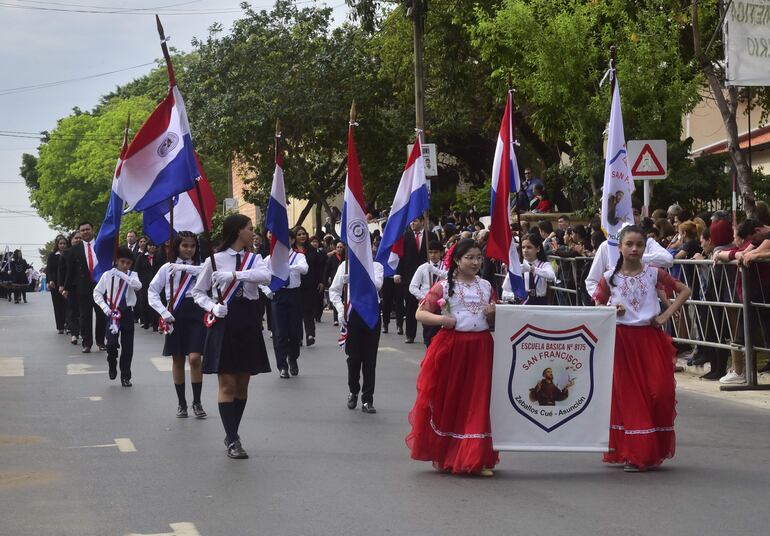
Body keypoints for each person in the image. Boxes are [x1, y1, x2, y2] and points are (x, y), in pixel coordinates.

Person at [592, 225, 690, 472]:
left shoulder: (654, 273)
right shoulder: (609, 277)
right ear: (621, 247)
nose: (634, 249)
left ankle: (650, 446)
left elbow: (684, 290)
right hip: (622, 341)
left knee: (661, 391)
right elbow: (596, 304)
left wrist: (666, 314)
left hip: (650, 339)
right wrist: (610, 310)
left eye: (639, 245)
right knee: (631, 397)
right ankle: (636, 452)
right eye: (629, 244)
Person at [406, 238, 499, 476]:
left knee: (478, 399)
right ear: (457, 260)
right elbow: (421, 313)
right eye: (470, 257)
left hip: (481, 347)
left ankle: (476, 455)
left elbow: (495, 322)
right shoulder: (444, 287)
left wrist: (492, 314)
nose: (476, 262)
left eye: (479, 257)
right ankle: (448, 452)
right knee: (452, 399)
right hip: (453, 347)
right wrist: (442, 320)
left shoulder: (487, 286)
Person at [192, 214, 272, 459]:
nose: (253, 232)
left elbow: (266, 277)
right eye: (249, 228)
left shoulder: (254, 259)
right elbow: (198, 292)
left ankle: (232, 432)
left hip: (248, 320)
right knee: (227, 383)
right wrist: (212, 307)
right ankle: (233, 440)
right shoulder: (214, 260)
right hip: (224, 321)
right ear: (238, 231)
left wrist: (236, 275)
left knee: (242, 386)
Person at [148, 231, 207, 418]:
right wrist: (164, 313)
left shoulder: (203, 266)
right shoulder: (167, 268)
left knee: (196, 358)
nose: (189, 249)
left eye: (193, 246)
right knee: (178, 359)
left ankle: (197, 402)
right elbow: (152, 291)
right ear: (177, 247)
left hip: (197, 312)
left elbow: (212, 283)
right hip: (175, 314)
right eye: (185, 246)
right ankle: (182, 403)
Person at [328, 257, 385, 414]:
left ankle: (367, 399)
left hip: (371, 315)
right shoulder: (345, 265)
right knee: (353, 359)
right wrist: (340, 309)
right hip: (352, 315)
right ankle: (353, 391)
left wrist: (355, 278)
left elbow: (377, 285)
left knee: (370, 359)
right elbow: (334, 290)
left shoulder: (376, 266)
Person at [93, 247, 142, 386]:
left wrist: (123, 275)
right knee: (111, 344)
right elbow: (97, 293)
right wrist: (105, 308)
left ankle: (126, 376)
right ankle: (111, 363)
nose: (125, 265)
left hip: (127, 313)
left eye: (128, 263)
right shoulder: (108, 275)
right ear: (116, 261)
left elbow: (138, 286)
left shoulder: (133, 275)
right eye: (122, 262)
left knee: (128, 347)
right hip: (112, 313)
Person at [263, 230, 308, 378]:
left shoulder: (298, 256)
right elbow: (260, 276)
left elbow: (305, 269)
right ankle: (282, 365)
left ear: (292, 241)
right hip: (279, 294)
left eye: (286, 239)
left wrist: (288, 267)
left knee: (295, 332)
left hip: (294, 294)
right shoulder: (270, 259)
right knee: (280, 332)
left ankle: (293, 358)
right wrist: (266, 289)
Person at [63, 222, 106, 353]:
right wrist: (66, 287)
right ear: (79, 233)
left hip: (100, 285)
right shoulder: (74, 250)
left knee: (101, 315)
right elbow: (70, 271)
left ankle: (100, 341)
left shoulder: (102, 245)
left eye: (87, 229)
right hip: (83, 287)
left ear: (93, 230)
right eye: (82, 230)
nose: (85, 232)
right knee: (84, 316)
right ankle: (87, 343)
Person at [408, 240, 447, 346]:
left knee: (441, 335)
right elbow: (412, 286)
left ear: (441, 253)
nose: (433, 255)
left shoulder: (446, 266)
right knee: (429, 334)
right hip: (427, 304)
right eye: (430, 252)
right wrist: (424, 297)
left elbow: (451, 278)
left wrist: (436, 271)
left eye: (435, 252)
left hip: (444, 305)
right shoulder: (423, 267)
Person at [501, 233, 556, 304]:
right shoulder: (517, 268)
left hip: (540, 304)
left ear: (538, 249)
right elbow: (504, 293)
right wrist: (515, 296)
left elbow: (551, 275)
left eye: (529, 247)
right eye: (523, 247)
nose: (525, 250)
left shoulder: (544, 265)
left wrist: (532, 269)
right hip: (523, 305)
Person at [294, 226, 323, 346]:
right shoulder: (290, 251)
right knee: (296, 312)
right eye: (299, 234)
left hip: (310, 285)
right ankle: (298, 337)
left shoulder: (312, 250)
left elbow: (319, 267)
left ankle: (310, 334)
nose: (302, 236)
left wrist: (321, 281)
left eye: (304, 234)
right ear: (294, 237)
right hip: (295, 285)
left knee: (308, 311)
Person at [136, 240, 161, 331]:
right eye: (150, 245)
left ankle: (155, 324)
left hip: (156, 284)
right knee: (144, 303)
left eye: (154, 245)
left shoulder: (159, 257)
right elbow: (136, 270)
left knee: (155, 304)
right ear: (147, 246)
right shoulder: (141, 257)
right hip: (144, 284)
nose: (152, 247)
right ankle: (146, 322)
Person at [46, 236, 69, 333]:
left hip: (66, 282)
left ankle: (68, 324)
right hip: (55, 284)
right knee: (57, 305)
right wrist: (50, 280)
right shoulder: (52, 255)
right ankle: (60, 326)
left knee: (68, 305)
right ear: (57, 244)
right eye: (60, 244)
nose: (62, 245)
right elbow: (49, 269)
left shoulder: (69, 254)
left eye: (64, 243)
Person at [324, 241, 346, 326]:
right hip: (334, 280)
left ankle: (344, 315)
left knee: (344, 299)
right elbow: (327, 270)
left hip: (344, 281)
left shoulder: (345, 258)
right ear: (335, 248)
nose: (339, 249)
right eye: (338, 247)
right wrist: (326, 279)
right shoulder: (332, 257)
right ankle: (335, 319)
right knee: (336, 298)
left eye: (341, 247)